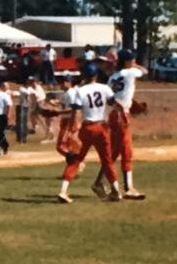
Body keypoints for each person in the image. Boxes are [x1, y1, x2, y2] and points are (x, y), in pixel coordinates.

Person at [57, 62, 120, 204]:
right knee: (107, 160)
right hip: (102, 127)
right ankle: (116, 190)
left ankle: (63, 191)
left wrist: (73, 129)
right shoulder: (104, 88)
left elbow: (76, 110)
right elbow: (113, 103)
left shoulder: (81, 90)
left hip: (87, 127)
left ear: (84, 75)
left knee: (76, 159)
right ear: (96, 75)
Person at [104, 50, 148, 200]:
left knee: (116, 151)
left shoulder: (112, 77)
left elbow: (111, 98)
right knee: (126, 151)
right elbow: (145, 71)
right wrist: (135, 65)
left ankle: (101, 182)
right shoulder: (130, 72)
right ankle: (128, 188)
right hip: (122, 114)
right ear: (128, 61)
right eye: (132, 59)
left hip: (113, 114)